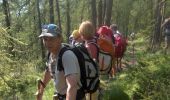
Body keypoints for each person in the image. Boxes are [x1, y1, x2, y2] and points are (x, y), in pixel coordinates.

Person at [36, 24, 84, 100]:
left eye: (51, 39)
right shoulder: (51, 54)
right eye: (45, 39)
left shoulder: (67, 56)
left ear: (60, 38)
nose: (48, 43)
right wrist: (41, 90)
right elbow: (49, 71)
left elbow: (72, 86)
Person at [79, 21, 99, 100]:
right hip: (91, 78)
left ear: (83, 32)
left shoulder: (89, 46)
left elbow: (90, 64)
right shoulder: (92, 43)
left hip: (90, 80)